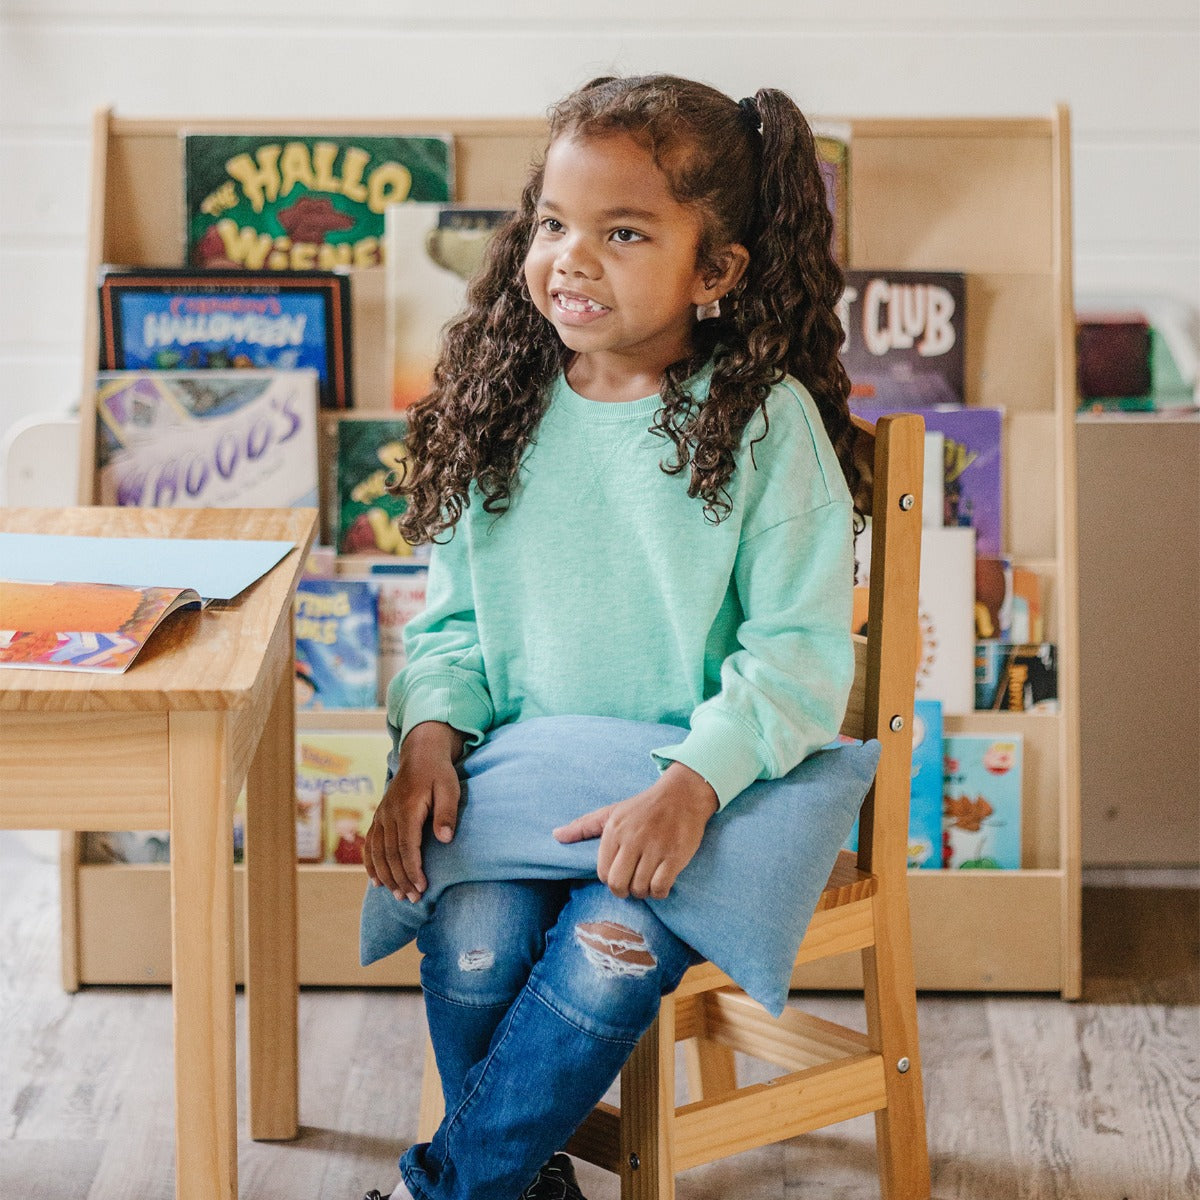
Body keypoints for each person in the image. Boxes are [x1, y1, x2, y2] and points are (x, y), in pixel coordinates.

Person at [362, 72, 860, 1200]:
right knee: (474, 945)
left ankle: (446, 1191)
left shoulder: (766, 421)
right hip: (531, 776)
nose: (570, 258)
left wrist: (689, 784)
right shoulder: (502, 399)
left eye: (622, 232)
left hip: (708, 792)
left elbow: (798, 657)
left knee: (602, 961)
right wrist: (428, 740)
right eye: (552, 224)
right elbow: (448, 619)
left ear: (716, 270)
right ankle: (505, 1188)